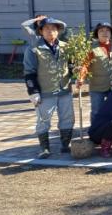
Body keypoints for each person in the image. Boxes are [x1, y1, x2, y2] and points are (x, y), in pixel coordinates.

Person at [23, 17, 74, 158]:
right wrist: (33, 92)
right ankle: (44, 148)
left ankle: (65, 145)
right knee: (43, 120)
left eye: (53, 28)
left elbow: (70, 66)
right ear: (40, 31)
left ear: (58, 31)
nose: (50, 31)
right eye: (46, 28)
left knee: (67, 118)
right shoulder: (34, 49)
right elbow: (29, 72)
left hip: (64, 89)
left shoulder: (66, 47)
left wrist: (76, 71)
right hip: (45, 91)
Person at [76, 22, 112, 124]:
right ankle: (95, 130)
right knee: (97, 111)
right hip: (97, 86)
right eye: (101, 31)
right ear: (97, 34)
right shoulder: (91, 48)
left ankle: (111, 130)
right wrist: (81, 78)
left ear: (111, 33)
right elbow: (85, 65)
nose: (105, 33)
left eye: (107, 30)